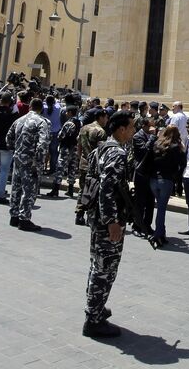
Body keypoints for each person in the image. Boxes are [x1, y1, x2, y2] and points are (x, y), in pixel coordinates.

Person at [82, 110, 136, 339]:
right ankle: (93, 321)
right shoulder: (116, 153)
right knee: (105, 269)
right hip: (107, 222)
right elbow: (106, 189)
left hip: (97, 217)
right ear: (121, 129)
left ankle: (96, 307)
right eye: (131, 127)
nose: (133, 131)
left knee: (97, 265)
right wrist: (113, 221)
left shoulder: (101, 148)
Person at [149, 124, 186, 248]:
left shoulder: (157, 145)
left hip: (154, 179)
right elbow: (182, 163)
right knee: (161, 209)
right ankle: (158, 235)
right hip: (166, 180)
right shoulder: (175, 147)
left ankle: (161, 233)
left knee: (160, 207)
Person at [129, 117, 156, 238]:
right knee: (140, 201)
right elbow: (145, 149)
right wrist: (152, 137)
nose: (153, 127)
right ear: (145, 126)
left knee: (150, 201)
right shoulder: (137, 137)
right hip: (141, 173)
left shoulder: (152, 136)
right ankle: (137, 225)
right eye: (151, 125)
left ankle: (147, 225)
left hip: (151, 173)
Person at [50, 105, 81, 197]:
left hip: (66, 148)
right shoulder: (80, 122)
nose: (66, 113)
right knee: (72, 169)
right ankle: (70, 189)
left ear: (70, 113)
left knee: (60, 168)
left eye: (67, 112)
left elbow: (61, 136)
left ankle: (55, 190)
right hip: (75, 148)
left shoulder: (69, 123)